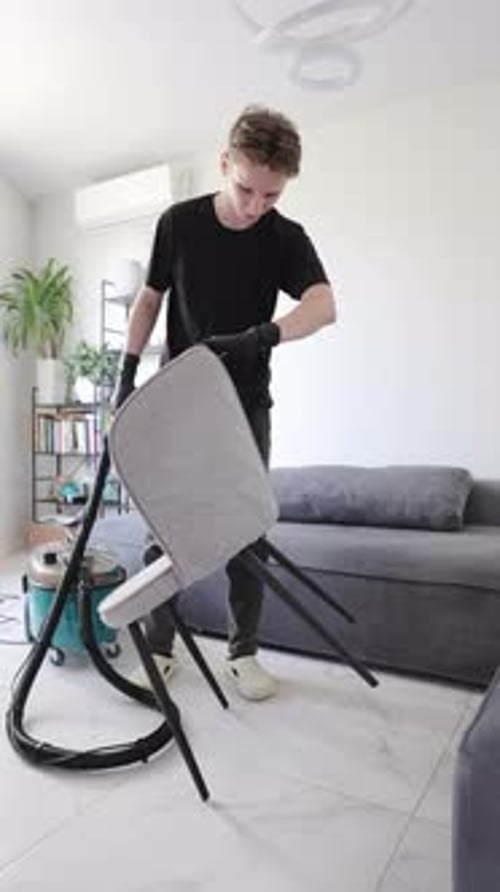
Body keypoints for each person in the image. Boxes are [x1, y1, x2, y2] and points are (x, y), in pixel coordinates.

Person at [114, 104, 337, 701]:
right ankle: (160, 650)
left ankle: (243, 654)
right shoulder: (178, 223)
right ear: (223, 164)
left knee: (247, 529)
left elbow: (323, 305)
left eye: (270, 194)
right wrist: (125, 374)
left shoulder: (285, 237)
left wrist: (263, 336)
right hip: (177, 405)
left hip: (245, 404)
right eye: (246, 189)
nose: (256, 205)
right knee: (168, 529)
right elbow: (148, 300)